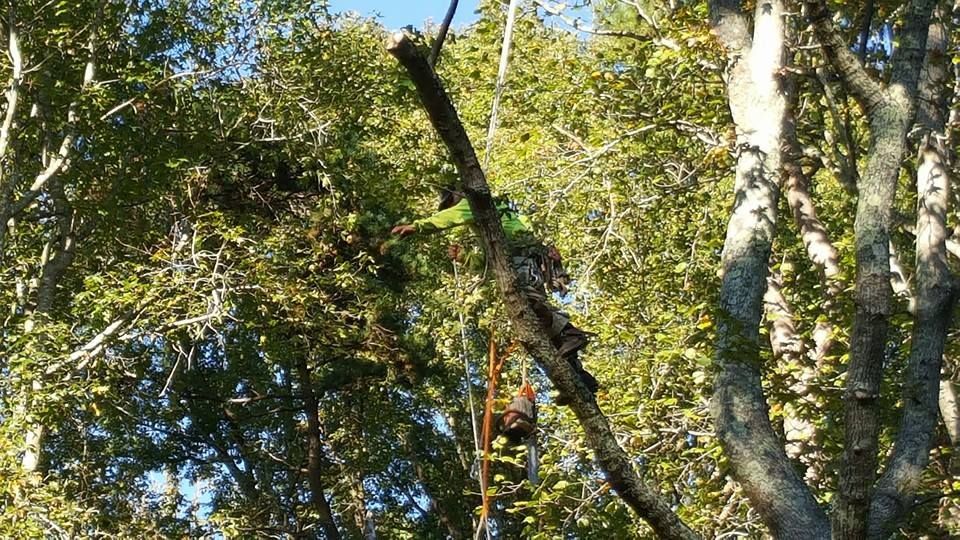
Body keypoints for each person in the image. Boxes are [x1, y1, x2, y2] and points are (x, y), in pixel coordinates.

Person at [391, 187, 599, 399]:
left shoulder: (474, 204)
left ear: (458, 195)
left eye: (450, 203)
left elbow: (449, 218)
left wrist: (416, 226)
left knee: (531, 305)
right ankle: (578, 378)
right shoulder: (489, 227)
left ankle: (570, 334)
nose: (451, 208)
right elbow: (487, 263)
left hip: (522, 258)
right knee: (538, 327)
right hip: (523, 259)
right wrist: (464, 257)